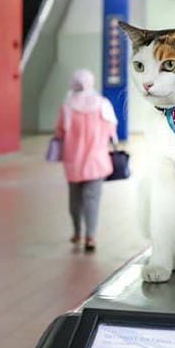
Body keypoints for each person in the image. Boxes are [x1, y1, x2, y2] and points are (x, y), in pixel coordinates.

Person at [54, 69, 117, 253]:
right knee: (92, 200)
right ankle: (91, 236)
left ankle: (77, 233)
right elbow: (112, 129)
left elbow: (59, 132)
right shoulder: (102, 104)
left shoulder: (67, 107)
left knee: (75, 199)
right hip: (96, 161)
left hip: (73, 161)